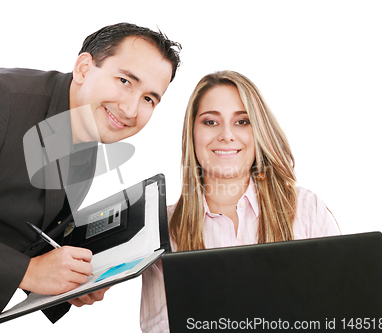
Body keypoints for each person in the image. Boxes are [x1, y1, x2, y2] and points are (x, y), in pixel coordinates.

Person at [0, 23, 181, 333]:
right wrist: (28, 272)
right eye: (124, 80)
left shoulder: (86, 129)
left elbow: (19, 227)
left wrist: (76, 277)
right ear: (84, 68)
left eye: (149, 99)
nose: (131, 109)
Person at [140, 70, 340, 332]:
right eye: (210, 122)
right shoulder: (163, 228)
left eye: (242, 121)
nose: (226, 135)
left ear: (258, 131)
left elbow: (340, 312)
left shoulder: (306, 209)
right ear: (192, 133)